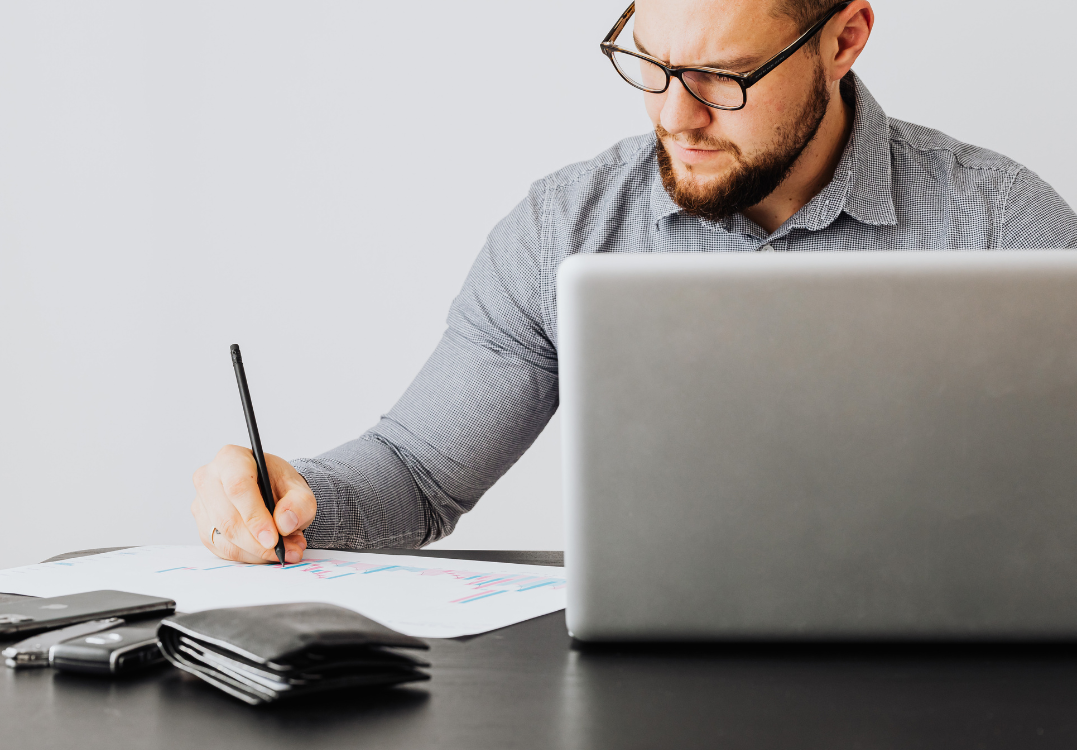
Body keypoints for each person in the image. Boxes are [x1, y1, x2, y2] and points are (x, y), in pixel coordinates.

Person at [191, 0, 1077, 564]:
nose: (671, 114)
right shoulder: (563, 228)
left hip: (959, 690)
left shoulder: (1003, 223)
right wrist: (291, 491)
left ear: (843, 39)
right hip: (647, 696)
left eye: (720, 78)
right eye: (648, 62)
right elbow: (419, 475)